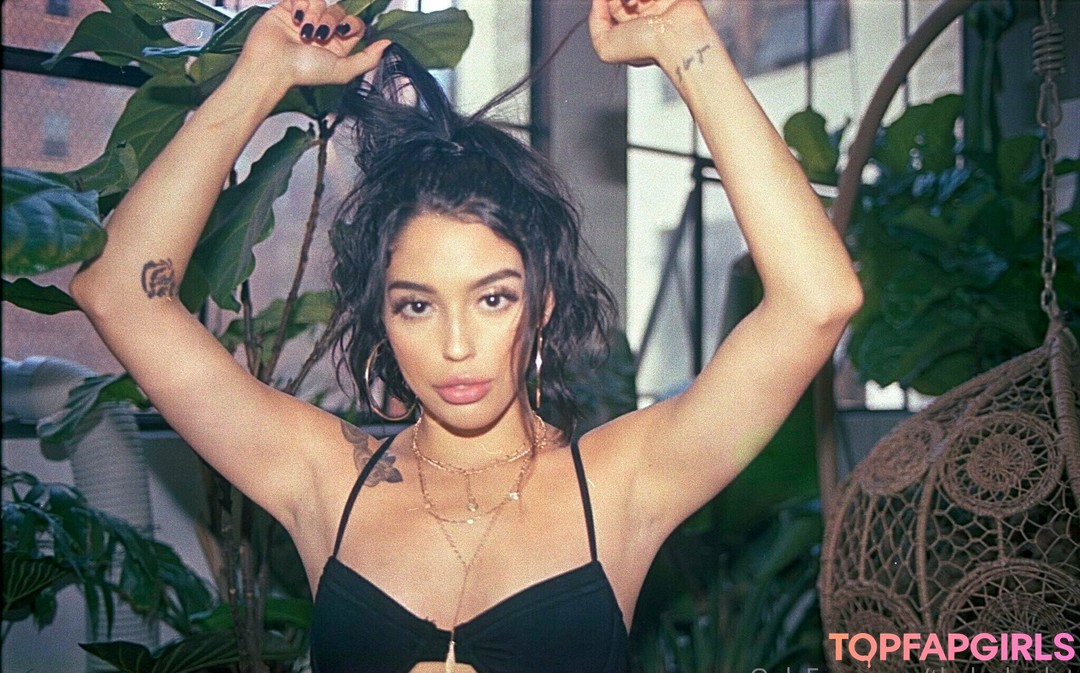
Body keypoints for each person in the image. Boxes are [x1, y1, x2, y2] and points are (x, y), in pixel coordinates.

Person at [70, 0, 863, 670]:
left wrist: (684, 41)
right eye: (416, 305)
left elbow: (818, 300)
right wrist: (258, 77)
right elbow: (119, 295)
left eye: (493, 298)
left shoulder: (624, 485)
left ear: (542, 303)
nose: (456, 346)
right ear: (381, 317)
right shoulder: (322, 479)